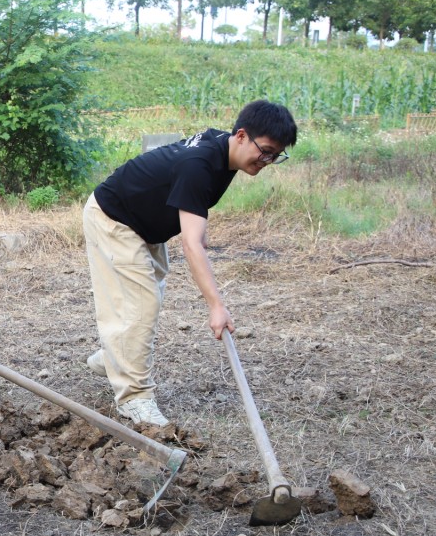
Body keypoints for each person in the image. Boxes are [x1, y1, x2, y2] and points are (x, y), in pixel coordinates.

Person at [83, 99, 298, 427]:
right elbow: (191, 244)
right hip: (114, 218)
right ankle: (134, 398)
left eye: (276, 155)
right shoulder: (200, 164)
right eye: (266, 151)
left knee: (148, 297)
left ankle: (117, 356)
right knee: (141, 304)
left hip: (143, 223)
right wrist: (216, 306)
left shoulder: (225, 151)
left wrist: (199, 231)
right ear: (241, 135)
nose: (267, 161)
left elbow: (194, 210)